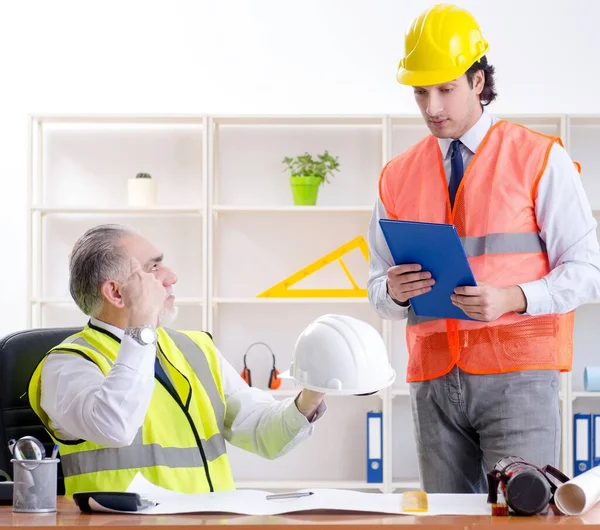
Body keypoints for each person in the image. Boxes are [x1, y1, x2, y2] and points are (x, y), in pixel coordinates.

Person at [366, 3, 600, 494]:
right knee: (447, 524)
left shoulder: (538, 158)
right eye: (421, 92)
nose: (433, 107)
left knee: (524, 517)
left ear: (477, 81)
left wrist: (513, 296)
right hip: (432, 383)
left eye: (446, 89)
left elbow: (587, 270)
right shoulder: (396, 174)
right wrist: (394, 290)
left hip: (516, 375)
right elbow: (379, 291)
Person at [28, 224, 326, 495]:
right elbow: (114, 427)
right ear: (116, 293)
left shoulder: (196, 347)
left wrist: (312, 393)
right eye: (153, 267)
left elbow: (263, 434)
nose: (171, 276)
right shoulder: (67, 365)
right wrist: (141, 323)